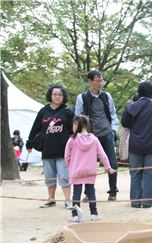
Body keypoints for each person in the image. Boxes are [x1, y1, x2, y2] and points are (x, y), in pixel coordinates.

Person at [27, 85, 75, 209]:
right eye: (55, 94)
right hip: (47, 149)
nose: (57, 97)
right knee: (49, 177)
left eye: (60, 94)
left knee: (64, 176)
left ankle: (68, 200)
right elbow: (35, 128)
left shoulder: (68, 112)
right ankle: (51, 199)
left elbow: (75, 130)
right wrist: (29, 142)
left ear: (63, 96)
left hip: (63, 150)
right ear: (50, 95)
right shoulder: (43, 111)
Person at [75, 70, 119, 201]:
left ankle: (113, 191)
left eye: (101, 80)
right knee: (88, 165)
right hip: (90, 136)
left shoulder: (107, 96)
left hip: (107, 134)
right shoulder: (82, 97)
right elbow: (78, 117)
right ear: (90, 82)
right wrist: (82, 134)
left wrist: (113, 130)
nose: (100, 83)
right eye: (97, 80)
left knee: (112, 163)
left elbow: (113, 114)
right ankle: (89, 193)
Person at [65, 115, 116, 222]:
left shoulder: (72, 139)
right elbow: (103, 155)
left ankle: (75, 215)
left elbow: (67, 156)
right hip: (90, 171)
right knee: (91, 192)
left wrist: (71, 167)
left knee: (76, 194)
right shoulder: (94, 139)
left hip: (76, 171)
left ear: (76, 125)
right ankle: (94, 213)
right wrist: (108, 167)